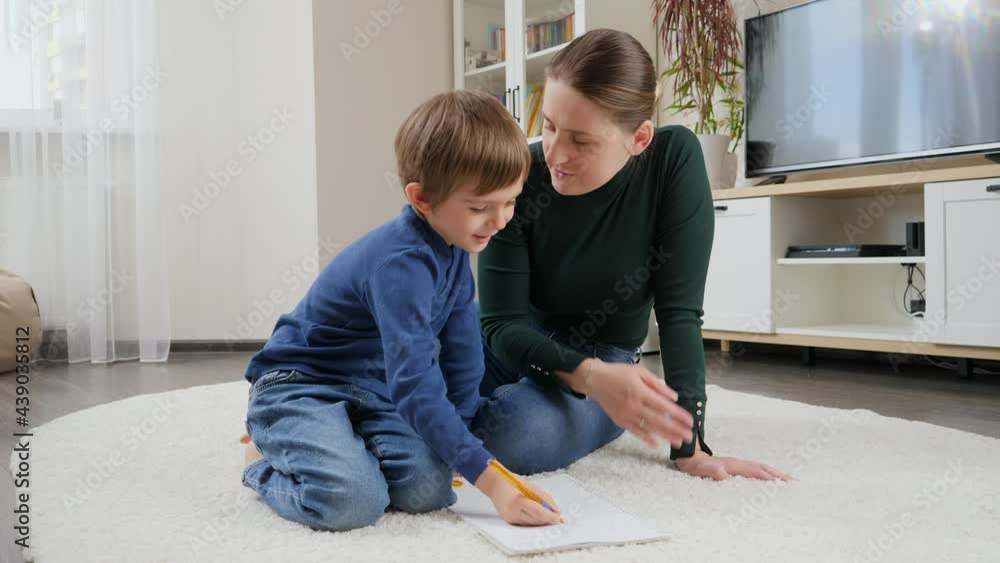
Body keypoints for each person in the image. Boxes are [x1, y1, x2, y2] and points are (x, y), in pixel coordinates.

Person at [473, 29, 791, 482]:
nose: (555, 154)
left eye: (581, 140)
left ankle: (453, 421)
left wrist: (689, 446)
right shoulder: (522, 172)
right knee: (400, 354)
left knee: (508, 437)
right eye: (549, 126)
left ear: (639, 138)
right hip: (516, 338)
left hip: (608, 360)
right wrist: (582, 374)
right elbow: (502, 325)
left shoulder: (671, 161)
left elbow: (679, 313)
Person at [239, 90, 562, 532]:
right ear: (422, 199)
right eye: (480, 208)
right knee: (353, 502)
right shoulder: (401, 265)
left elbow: (463, 358)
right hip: (301, 383)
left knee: (429, 490)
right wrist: (494, 483)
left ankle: (341, 442)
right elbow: (415, 385)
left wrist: (462, 446)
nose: (500, 220)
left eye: (510, 202)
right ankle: (260, 458)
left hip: (374, 390)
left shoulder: (455, 250)